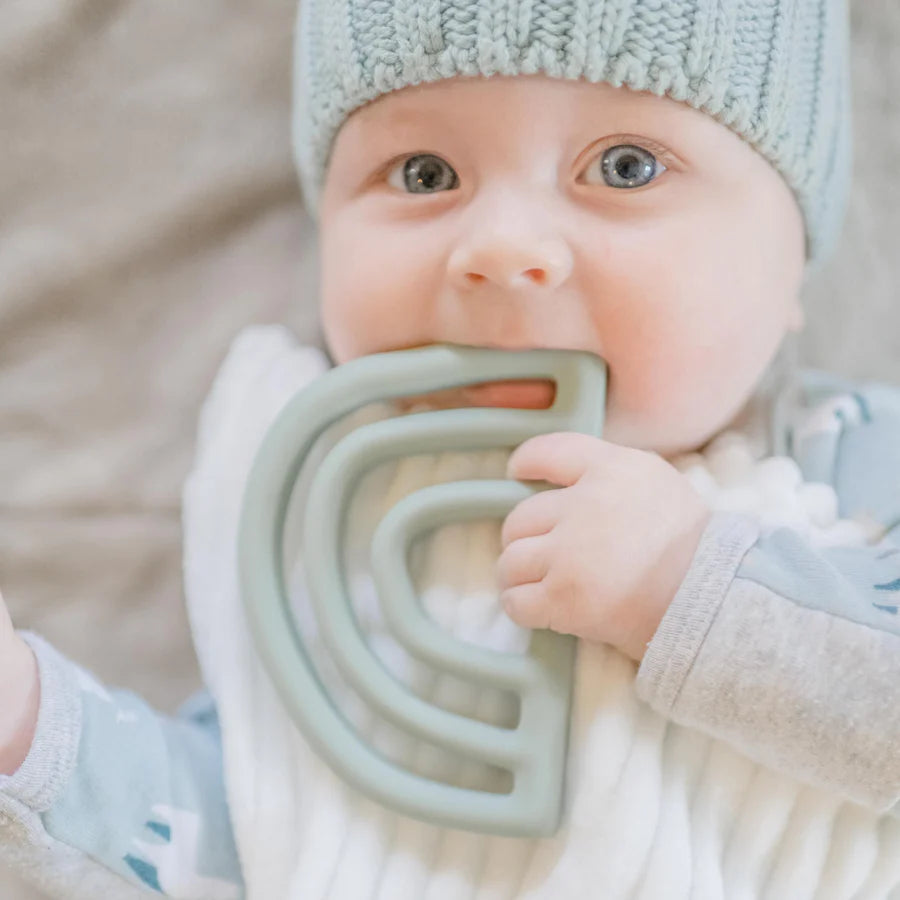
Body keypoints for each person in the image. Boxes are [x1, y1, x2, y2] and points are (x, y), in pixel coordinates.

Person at [2, 0, 900, 897]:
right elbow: (254, 828)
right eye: (424, 173)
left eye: (625, 168)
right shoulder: (328, 505)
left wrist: (688, 588)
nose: (502, 248)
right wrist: (34, 737)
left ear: (794, 268)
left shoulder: (853, 465)